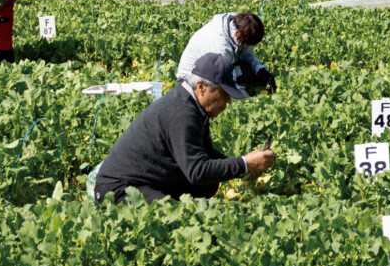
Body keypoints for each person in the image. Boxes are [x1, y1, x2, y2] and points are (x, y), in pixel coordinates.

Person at [93, 51, 276, 204]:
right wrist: (244, 164)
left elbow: (206, 154)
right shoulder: (183, 113)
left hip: (149, 179)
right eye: (224, 93)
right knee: (174, 215)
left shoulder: (194, 105)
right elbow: (197, 171)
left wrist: (246, 168)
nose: (228, 100)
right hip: (118, 188)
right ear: (201, 87)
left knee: (208, 185)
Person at [176, 10, 276, 95]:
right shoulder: (220, 47)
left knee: (246, 70)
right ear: (237, 34)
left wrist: (260, 69)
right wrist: (249, 101)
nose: (246, 46)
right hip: (191, 79)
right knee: (221, 92)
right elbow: (226, 82)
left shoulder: (239, 26)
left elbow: (247, 54)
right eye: (246, 44)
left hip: (213, 68)